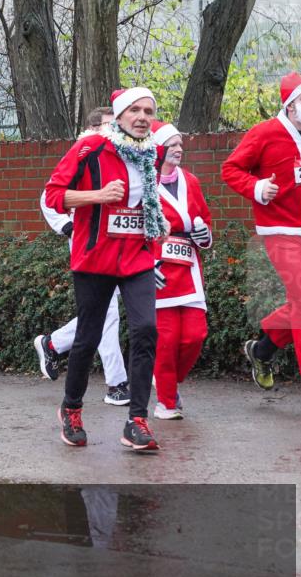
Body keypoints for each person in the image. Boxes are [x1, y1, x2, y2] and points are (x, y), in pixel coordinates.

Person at [43, 88, 169, 451]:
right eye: (135, 110)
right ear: (120, 115)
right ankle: (72, 409)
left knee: (145, 329)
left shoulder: (152, 153)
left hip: (137, 258)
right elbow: (53, 195)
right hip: (95, 257)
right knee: (88, 335)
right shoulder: (91, 148)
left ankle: (137, 420)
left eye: (149, 110)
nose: (143, 116)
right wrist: (96, 196)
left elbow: (149, 203)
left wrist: (157, 226)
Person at [222, 71, 301, 417]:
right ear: (290, 106)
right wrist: (259, 188)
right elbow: (231, 170)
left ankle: (262, 350)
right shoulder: (265, 133)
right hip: (281, 232)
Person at [35, 106, 130, 407]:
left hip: (116, 241)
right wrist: (67, 226)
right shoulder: (84, 152)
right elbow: (49, 195)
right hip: (87, 241)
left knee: (101, 312)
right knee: (108, 312)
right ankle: (117, 383)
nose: (113, 130)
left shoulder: (120, 154)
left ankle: (52, 344)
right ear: (93, 128)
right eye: (107, 125)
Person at [150, 120, 213, 420]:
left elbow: (205, 220)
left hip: (189, 269)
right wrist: (144, 264)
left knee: (195, 336)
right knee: (166, 339)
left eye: (180, 144)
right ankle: (166, 402)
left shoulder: (192, 181)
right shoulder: (145, 183)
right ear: (158, 149)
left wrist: (204, 237)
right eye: (172, 144)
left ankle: (168, 382)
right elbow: (136, 230)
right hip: (159, 271)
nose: (178, 149)